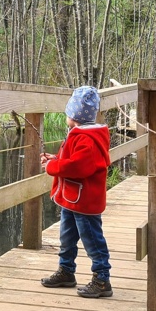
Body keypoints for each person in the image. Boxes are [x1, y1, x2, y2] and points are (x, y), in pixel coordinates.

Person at [39, 86, 112, 298]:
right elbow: (72, 160)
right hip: (72, 199)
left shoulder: (87, 138)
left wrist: (53, 168)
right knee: (67, 237)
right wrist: (56, 159)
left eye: (68, 113)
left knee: (92, 240)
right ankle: (66, 271)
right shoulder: (79, 134)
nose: (66, 117)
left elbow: (80, 167)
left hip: (85, 202)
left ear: (75, 116)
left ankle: (102, 279)